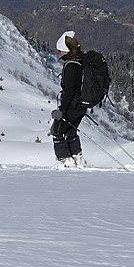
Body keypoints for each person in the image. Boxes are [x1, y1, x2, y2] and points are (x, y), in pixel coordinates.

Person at [50, 31, 87, 168]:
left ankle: (65, 162)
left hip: (72, 106)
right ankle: (78, 160)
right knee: (71, 132)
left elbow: (69, 90)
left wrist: (62, 110)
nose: (59, 53)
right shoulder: (80, 62)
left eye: (59, 50)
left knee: (57, 131)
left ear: (66, 50)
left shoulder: (71, 65)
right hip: (81, 105)